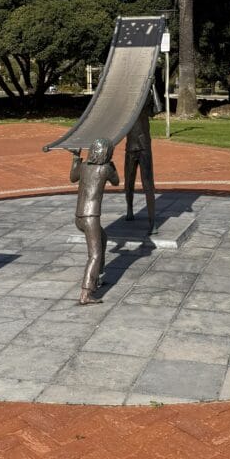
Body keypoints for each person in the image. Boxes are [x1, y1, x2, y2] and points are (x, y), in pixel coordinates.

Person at [70, 137, 119, 305]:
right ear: (107, 154)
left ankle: (96, 277)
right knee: (95, 255)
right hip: (91, 217)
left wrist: (76, 158)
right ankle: (86, 293)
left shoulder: (84, 167)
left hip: (79, 217)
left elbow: (72, 177)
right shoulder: (105, 169)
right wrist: (113, 165)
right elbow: (116, 182)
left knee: (103, 238)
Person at [124, 90, 157, 233]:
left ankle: (152, 221)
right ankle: (129, 209)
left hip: (144, 147)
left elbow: (158, 109)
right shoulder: (126, 106)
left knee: (148, 184)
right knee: (128, 181)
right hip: (131, 147)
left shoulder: (145, 101)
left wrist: (153, 87)